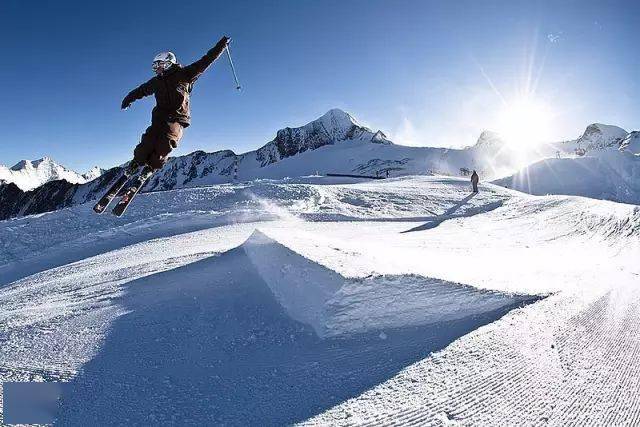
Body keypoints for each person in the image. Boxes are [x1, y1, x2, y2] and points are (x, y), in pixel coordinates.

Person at [120, 36, 231, 177]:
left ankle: (151, 167)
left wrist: (221, 45)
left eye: (159, 64)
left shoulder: (185, 74)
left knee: (165, 144)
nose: (156, 68)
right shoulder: (156, 82)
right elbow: (141, 90)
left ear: (168, 63)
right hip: (159, 117)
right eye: (155, 66)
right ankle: (137, 162)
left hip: (177, 119)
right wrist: (128, 98)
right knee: (147, 142)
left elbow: (206, 60)